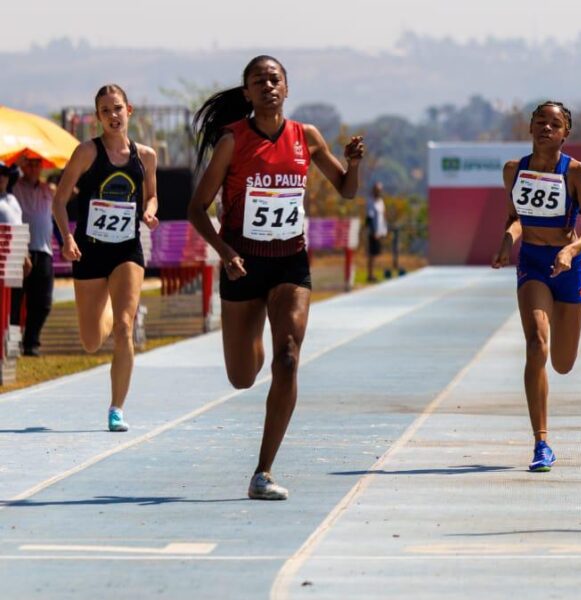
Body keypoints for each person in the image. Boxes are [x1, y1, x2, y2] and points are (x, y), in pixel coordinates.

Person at [188, 55, 364, 500]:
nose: (268, 86)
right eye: (258, 81)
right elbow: (196, 208)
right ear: (246, 93)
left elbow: (346, 189)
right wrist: (225, 251)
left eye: (275, 79)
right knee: (242, 377)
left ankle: (262, 472)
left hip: (290, 262)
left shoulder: (306, 137)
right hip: (242, 262)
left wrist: (353, 163)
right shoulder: (233, 140)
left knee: (287, 357)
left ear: (287, 88)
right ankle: (253, 331)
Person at [491, 101, 581, 472]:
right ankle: (541, 442)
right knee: (537, 342)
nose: (546, 128)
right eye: (540, 122)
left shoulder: (576, 172)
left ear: (565, 133)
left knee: (563, 363)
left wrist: (571, 250)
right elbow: (515, 218)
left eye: (554, 124)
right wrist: (508, 241)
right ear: (530, 128)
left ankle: (570, 295)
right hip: (533, 263)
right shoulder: (514, 170)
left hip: (568, 266)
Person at [50, 85, 159, 432]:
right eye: (105, 111)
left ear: (130, 110)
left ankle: (116, 408)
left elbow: (152, 197)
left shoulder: (146, 156)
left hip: (127, 249)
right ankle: (114, 310)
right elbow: (59, 200)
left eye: (117, 109)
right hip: (89, 250)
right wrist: (66, 238)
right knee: (91, 341)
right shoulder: (86, 152)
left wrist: (150, 213)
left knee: (125, 328)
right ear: (98, 117)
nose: (113, 116)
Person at [10, 155, 56, 356]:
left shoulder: (48, 189)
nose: (33, 168)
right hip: (20, 251)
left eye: (37, 164)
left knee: (43, 302)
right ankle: (11, 341)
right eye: (29, 164)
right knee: (15, 300)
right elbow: (8, 178)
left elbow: (71, 192)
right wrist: (17, 165)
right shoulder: (15, 187)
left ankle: (31, 342)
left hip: (44, 250)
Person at [366, 181, 387, 282]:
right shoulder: (371, 201)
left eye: (380, 190)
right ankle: (370, 275)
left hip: (379, 232)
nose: (378, 192)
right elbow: (369, 218)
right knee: (372, 254)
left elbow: (383, 217)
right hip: (373, 232)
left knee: (376, 254)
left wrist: (383, 230)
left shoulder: (381, 202)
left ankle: (373, 273)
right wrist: (373, 231)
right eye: (377, 190)